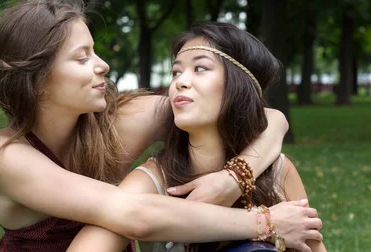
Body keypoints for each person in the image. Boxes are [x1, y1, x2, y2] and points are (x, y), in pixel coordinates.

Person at [0, 0, 322, 252]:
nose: (102, 65)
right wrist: (265, 222)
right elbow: (134, 214)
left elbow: (267, 117)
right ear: (38, 77)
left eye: (95, 51)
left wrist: (235, 177)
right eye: (81, 58)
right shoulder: (3, 154)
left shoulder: (121, 121)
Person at [66, 22, 326, 252]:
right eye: (176, 72)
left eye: (200, 68)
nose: (180, 81)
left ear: (240, 86)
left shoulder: (278, 170)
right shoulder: (155, 181)